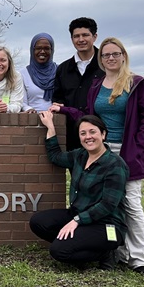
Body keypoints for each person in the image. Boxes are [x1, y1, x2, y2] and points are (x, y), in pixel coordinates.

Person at [52, 37, 144, 276]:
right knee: (107, 202)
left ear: (123, 56)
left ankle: (140, 258)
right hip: (101, 150)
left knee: (131, 203)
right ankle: (117, 251)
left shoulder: (136, 83)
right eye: (106, 55)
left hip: (127, 151)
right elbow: (88, 116)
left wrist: (137, 146)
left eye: (115, 54)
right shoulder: (97, 86)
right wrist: (63, 109)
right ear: (101, 59)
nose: (111, 58)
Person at [30, 111, 128, 269]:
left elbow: (108, 205)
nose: (88, 137)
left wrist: (77, 221)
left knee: (59, 251)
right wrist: (50, 127)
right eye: (83, 133)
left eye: (92, 132)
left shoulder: (115, 164)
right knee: (39, 222)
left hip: (106, 225)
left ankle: (105, 253)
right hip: (79, 215)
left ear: (103, 134)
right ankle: (75, 242)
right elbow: (56, 157)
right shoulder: (80, 156)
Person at [52, 17, 103, 149]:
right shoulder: (63, 69)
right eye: (76, 36)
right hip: (72, 135)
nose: (81, 39)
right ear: (72, 39)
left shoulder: (105, 65)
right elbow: (58, 98)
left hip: (101, 135)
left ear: (95, 37)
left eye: (85, 35)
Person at [21, 33, 56, 112]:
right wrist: (28, 109)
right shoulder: (23, 74)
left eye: (46, 48)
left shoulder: (60, 71)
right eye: (38, 48)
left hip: (57, 117)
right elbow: (22, 102)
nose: (42, 51)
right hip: (32, 117)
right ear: (32, 50)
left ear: (52, 50)